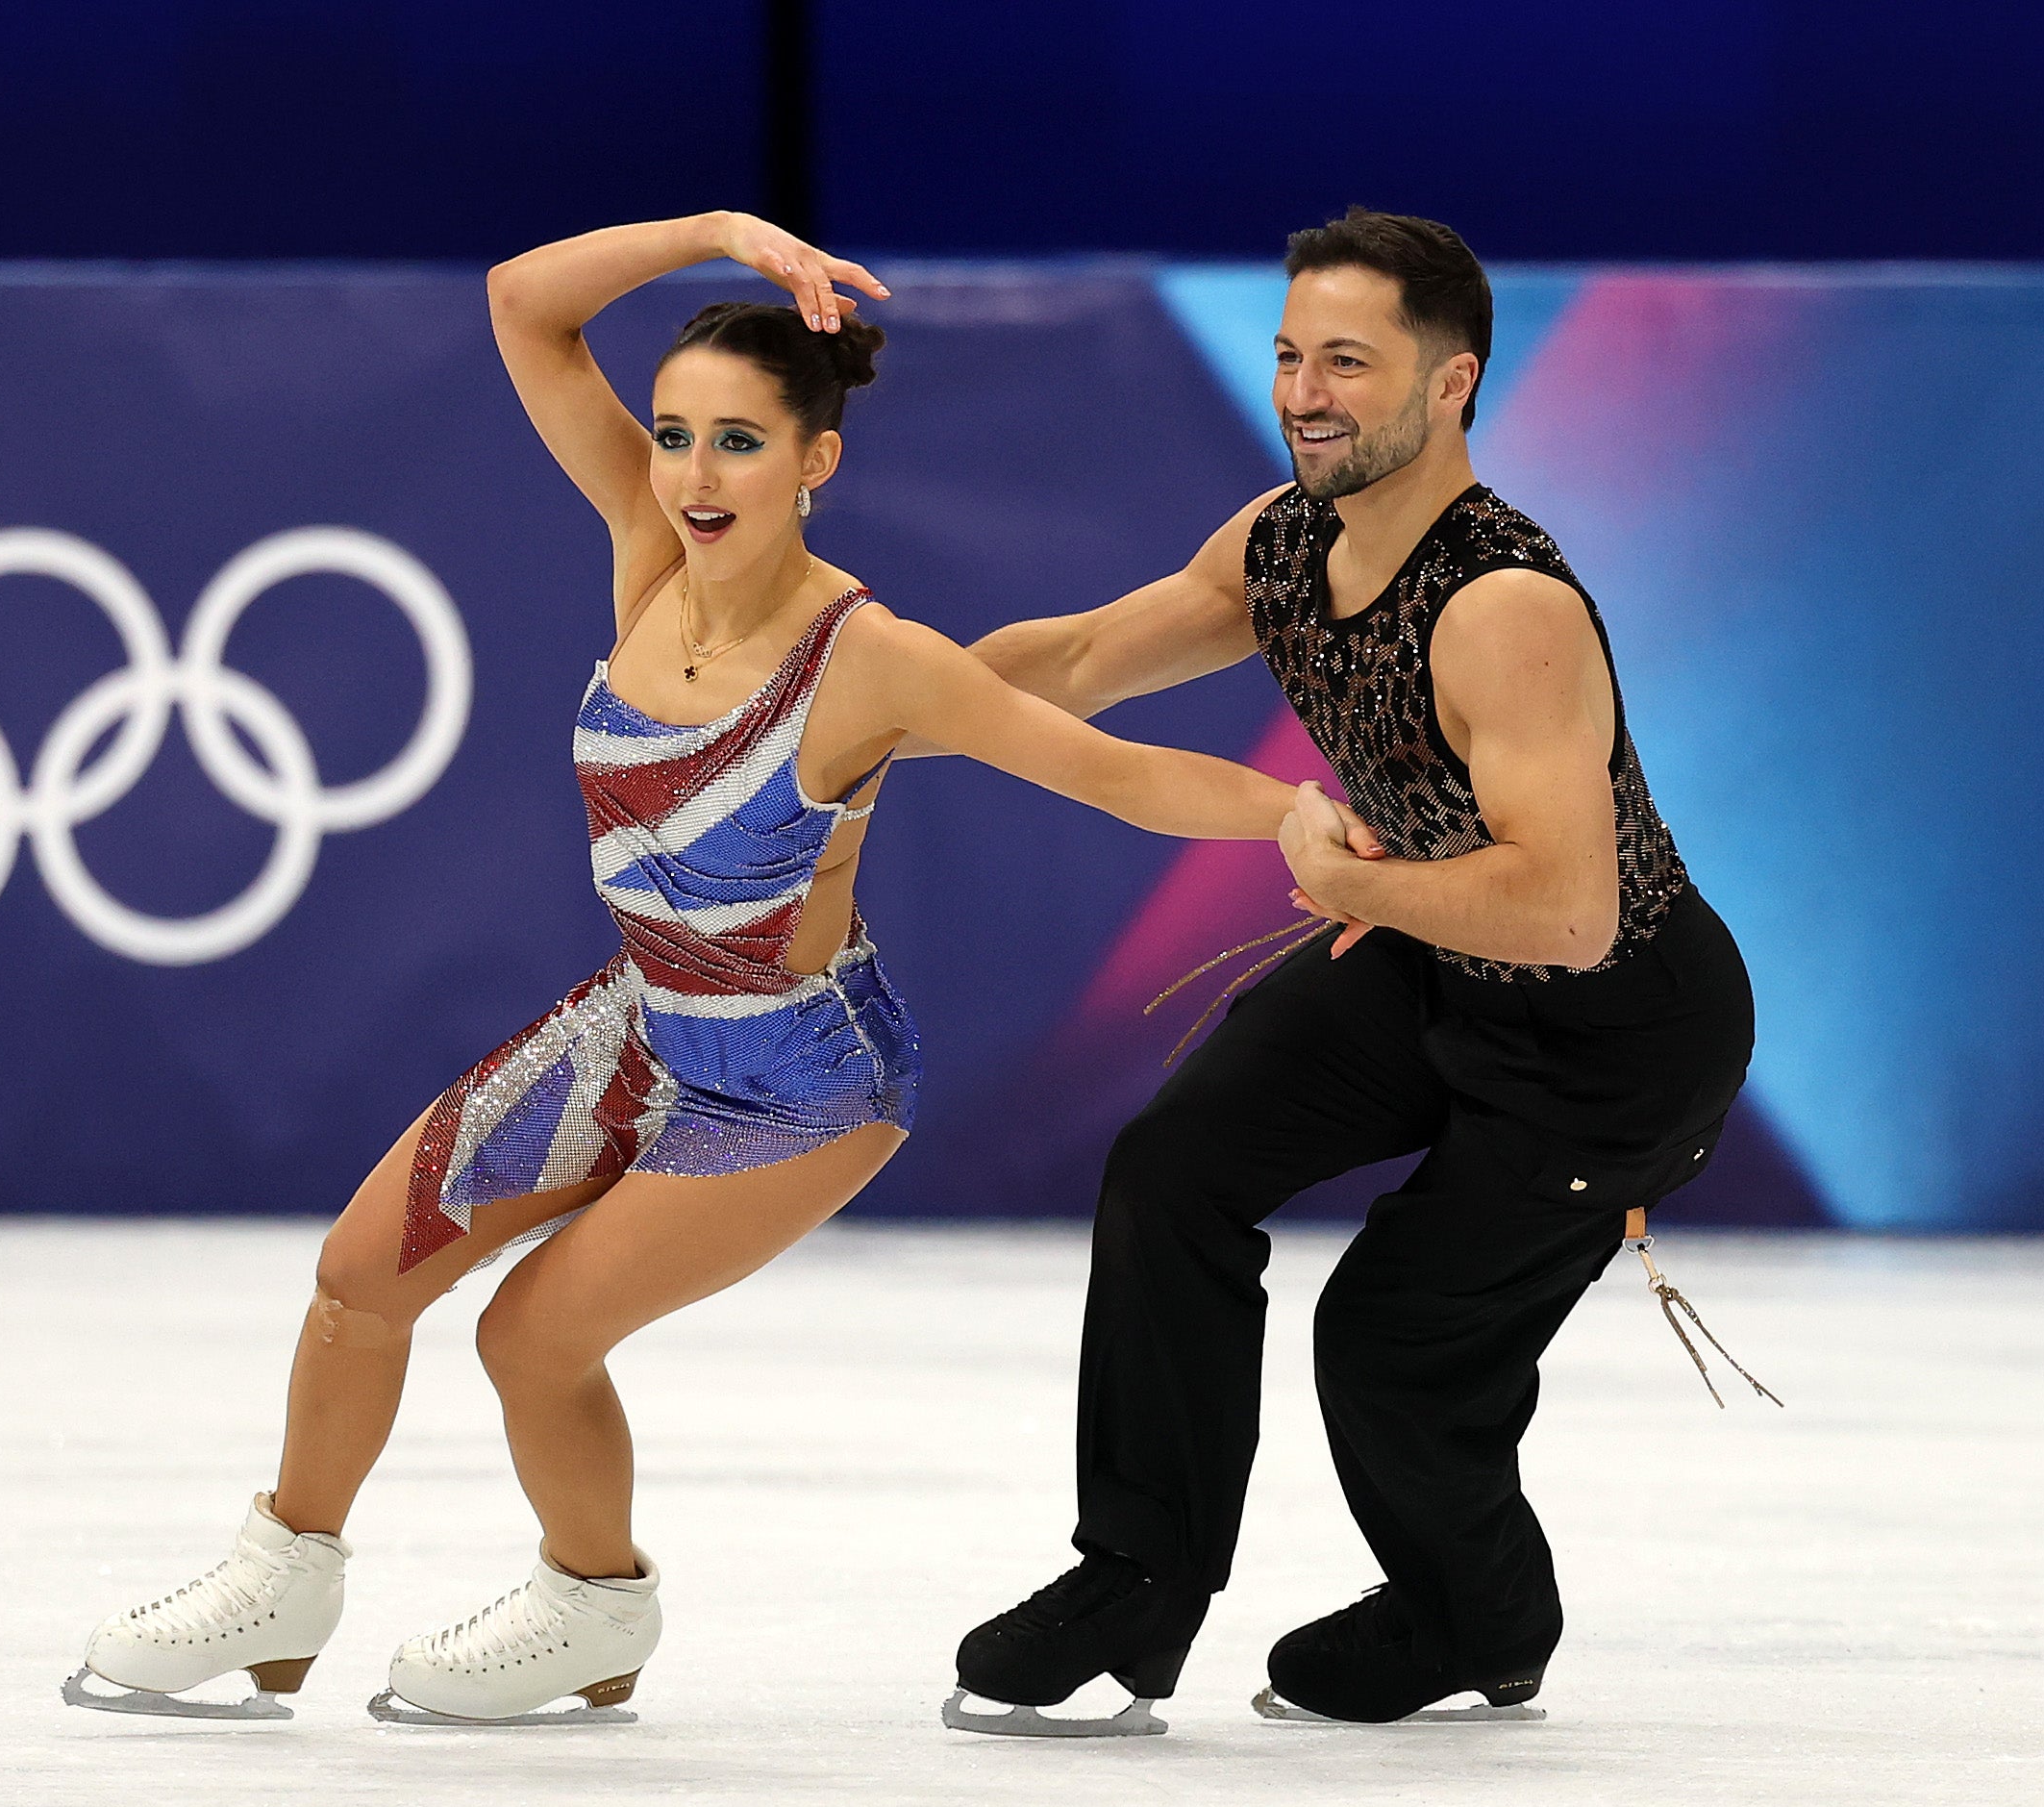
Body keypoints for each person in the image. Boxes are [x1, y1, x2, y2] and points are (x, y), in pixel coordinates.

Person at [63, 212, 1303, 1726]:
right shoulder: (646, 555)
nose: (693, 474)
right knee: (353, 1278)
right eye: (671, 436)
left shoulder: (874, 656)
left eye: (735, 442)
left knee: (531, 1333)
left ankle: (593, 1604)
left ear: (813, 462)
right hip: (645, 1019)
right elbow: (523, 304)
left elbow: (1114, 776)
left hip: (806, 1080)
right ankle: (282, 1575)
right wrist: (715, 230)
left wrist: (1312, 822)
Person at [946, 209, 1756, 1734]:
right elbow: (1074, 663)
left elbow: (1573, 912)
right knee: (1172, 1166)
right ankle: (1134, 1578)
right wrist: (862, 688)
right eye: (1288, 356)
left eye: (1347, 362)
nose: (1305, 392)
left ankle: (1479, 1613)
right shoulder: (1278, 541)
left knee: (1386, 1340)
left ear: (1449, 385)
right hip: (1433, 962)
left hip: (1611, 1036)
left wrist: (1337, 878)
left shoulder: (1501, 607)